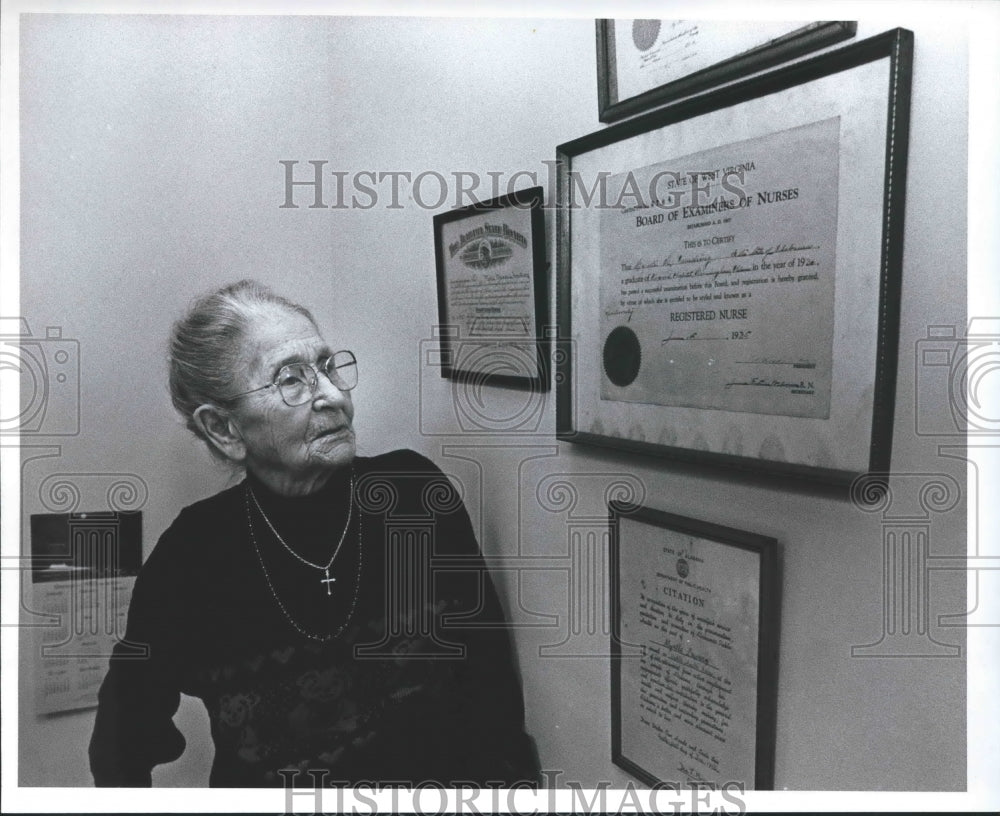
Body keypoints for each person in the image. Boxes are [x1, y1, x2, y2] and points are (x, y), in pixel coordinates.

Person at [89, 280, 539, 787]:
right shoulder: (190, 558)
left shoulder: (413, 496)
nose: (332, 396)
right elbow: (119, 746)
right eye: (291, 380)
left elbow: (490, 687)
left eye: (327, 367)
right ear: (224, 429)